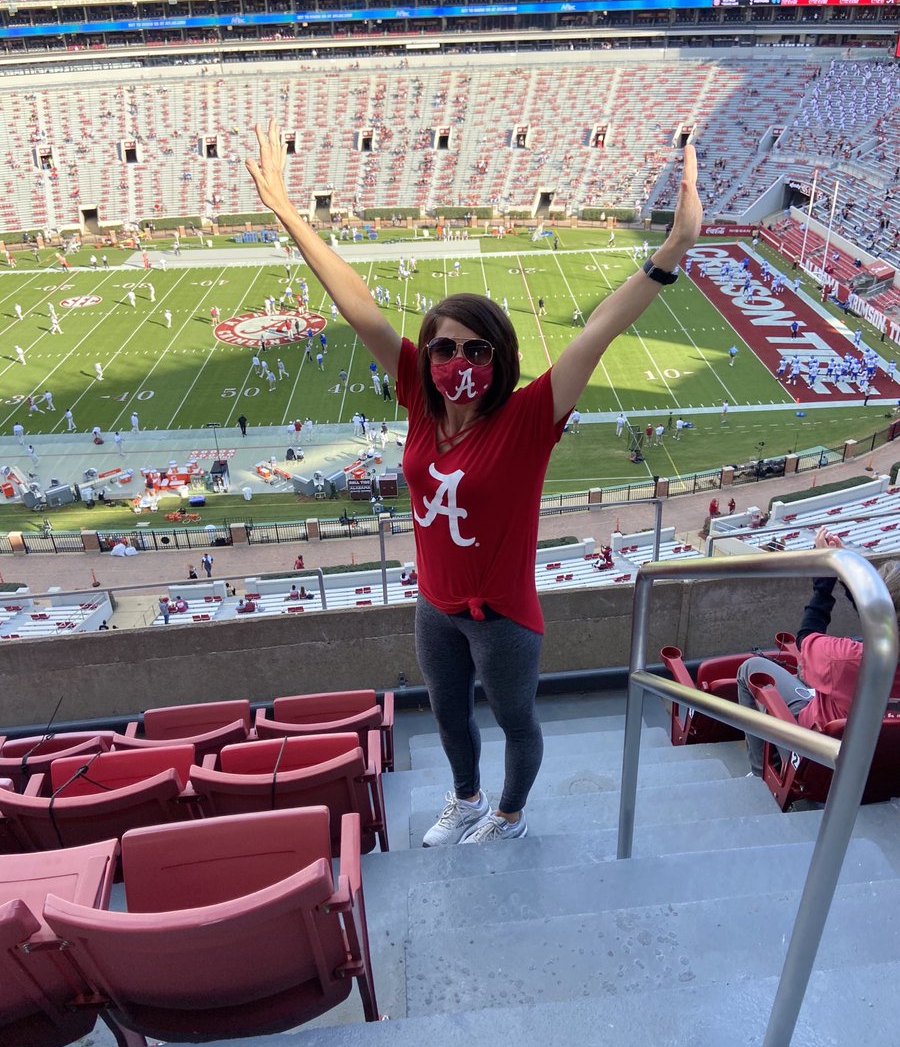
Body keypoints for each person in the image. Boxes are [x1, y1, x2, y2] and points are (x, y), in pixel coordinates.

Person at [246, 120, 701, 846]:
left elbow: (598, 331)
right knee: (447, 712)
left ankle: (509, 815)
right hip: (435, 603)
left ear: (501, 356)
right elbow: (359, 306)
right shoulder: (420, 400)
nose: (457, 361)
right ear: (427, 357)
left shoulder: (527, 419)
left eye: (476, 349)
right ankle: (465, 798)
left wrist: (670, 253)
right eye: (444, 348)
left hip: (504, 616)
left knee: (516, 719)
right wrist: (289, 214)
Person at [736, 527, 900, 779]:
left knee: (751, 668)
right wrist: (847, 577)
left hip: (818, 760)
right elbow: (882, 624)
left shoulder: (846, 659)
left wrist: (824, 582)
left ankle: (761, 776)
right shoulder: (855, 657)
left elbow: (806, 637)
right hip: (883, 771)